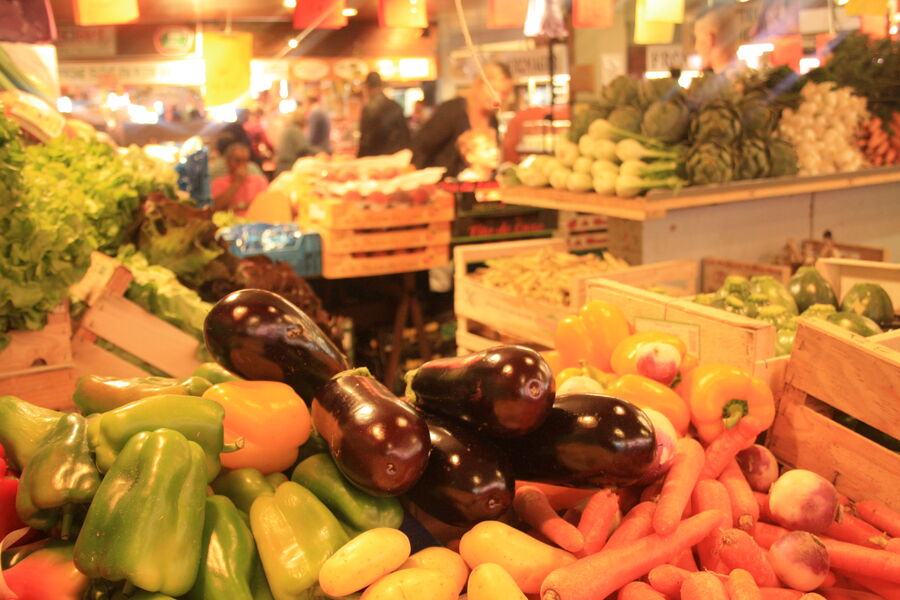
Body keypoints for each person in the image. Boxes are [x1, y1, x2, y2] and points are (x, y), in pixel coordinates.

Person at [410, 61, 514, 178]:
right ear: (480, 84)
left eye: (504, 93)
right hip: (443, 187)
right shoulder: (452, 110)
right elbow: (421, 146)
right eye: (493, 89)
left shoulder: (493, 120)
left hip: (474, 190)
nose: (498, 97)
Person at [357, 72, 410, 157]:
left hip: (375, 158)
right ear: (381, 85)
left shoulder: (368, 109)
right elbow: (406, 135)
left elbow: (365, 140)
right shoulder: (396, 106)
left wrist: (359, 159)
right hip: (395, 156)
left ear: (367, 87)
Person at [211, 142, 268, 216]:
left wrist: (239, 206)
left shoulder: (259, 181)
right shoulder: (218, 183)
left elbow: (265, 205)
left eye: (245, 161)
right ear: (228, 162)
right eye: (237, 161)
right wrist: (237, 183)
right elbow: (216, 208)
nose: (242, 165)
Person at [693, 4, 743, 75]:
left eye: (697, 38)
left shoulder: (720, 84)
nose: (696, 47)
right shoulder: (747, 79)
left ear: (709, 40)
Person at [275, 109, 318, 175]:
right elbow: (304, 148)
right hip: (288, 167)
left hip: (282, 167)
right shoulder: (294, 130)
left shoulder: (290, 129)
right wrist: (319, 152)